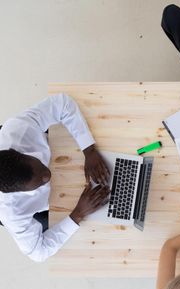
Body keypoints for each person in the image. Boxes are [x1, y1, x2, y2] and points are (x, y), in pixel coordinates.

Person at [0, 94, 110, 262]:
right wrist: (77, 214)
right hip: (45, 206)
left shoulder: (18, 130)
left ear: (19, 152)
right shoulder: (12, 212)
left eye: (39, 166)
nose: (47, 176)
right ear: (19, 192)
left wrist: (89, 150)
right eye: (39, 183)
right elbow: (38, 253)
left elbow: (62, 103)